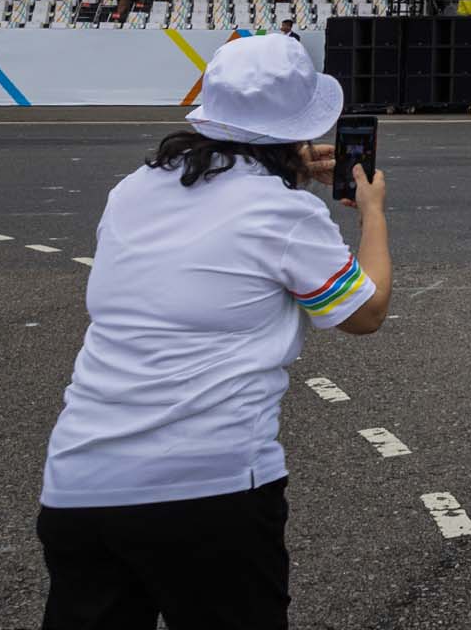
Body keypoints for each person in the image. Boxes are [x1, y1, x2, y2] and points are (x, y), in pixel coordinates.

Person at [36, 35, 392, 629]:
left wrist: (281, 170)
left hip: (79, 483)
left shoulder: (133, 189)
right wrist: (374, 214)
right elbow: (365, 313)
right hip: (209, 488)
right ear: (296, 126)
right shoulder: (283, 212)